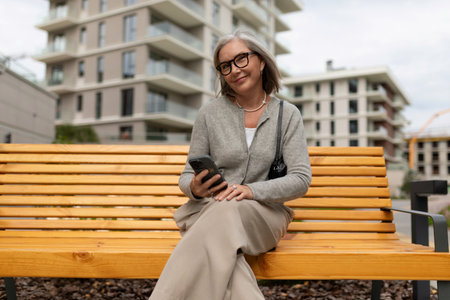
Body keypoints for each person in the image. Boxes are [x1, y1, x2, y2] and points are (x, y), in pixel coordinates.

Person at [149, 30, 311, 300]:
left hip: (264, 216)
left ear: (261, 61)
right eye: (225, 66)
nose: (234, 70)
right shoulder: (209, 114)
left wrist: (250, 191)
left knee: (226, 209)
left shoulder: (288, 114)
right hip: (212, 213)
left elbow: (300, 179)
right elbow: (186, 176)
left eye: (241, 59)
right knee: (229, 262)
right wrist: (195, 188)